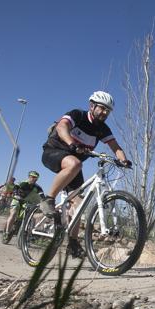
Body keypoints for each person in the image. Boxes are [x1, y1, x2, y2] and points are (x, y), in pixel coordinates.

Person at [40, 91, 132, 258]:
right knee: (75, 163)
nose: (105, 113)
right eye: (102, 108)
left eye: (108, 111)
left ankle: (73, 244)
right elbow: (62, 127)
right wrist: (71, 144)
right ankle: (48, 199)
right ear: (92, 106)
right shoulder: (78, 115)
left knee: (79, 204)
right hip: (53, 152)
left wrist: (124, 160)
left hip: (73, 167)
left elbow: (115, 147)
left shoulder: (102, 129)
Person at [5, 171, 44, 236]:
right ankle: (7, 232)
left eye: (36, 178)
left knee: (30, 216)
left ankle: (28, 234)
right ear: (29, 177)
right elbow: (15, 188)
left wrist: (44, 201)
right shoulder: (23, 183)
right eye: (33, 177)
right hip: (17, 199)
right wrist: (15, 193)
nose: (34, 179)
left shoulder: (37, 187)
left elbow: (42, 195)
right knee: (13, 214)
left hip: (26, 202)